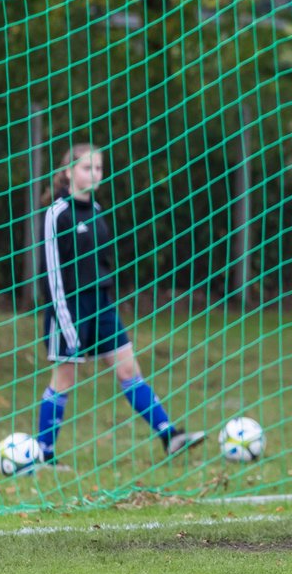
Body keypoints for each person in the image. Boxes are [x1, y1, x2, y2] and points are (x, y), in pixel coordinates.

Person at [35, 142, 204, 468]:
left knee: (129, 369)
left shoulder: (96, 210)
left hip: (102, 304)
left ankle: (170, 436)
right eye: (87, 168)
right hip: (69, 308)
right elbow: (51, 274)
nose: (94, 173)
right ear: (68, 172)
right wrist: (65, 321)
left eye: (98, 168)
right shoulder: (57, 213)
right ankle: (44, 455)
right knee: (64, 379)